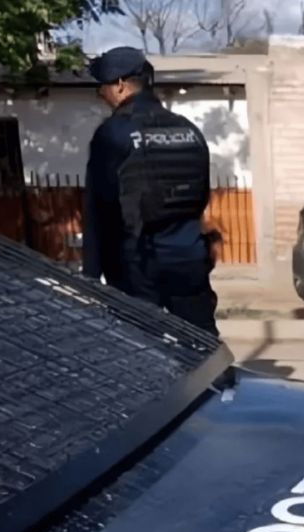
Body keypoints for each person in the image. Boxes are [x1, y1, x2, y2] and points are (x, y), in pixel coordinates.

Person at [83, 46, 220, 336]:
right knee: (202, 345)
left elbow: (99, 210)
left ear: (120, 85)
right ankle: (219, 382)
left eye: (102, 86)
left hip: (137, 266)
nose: (100, 94)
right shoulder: (189, 130)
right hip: (189, 258)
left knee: (142, 350)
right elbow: (200, 197)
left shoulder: (113, 133)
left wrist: (91, 277)